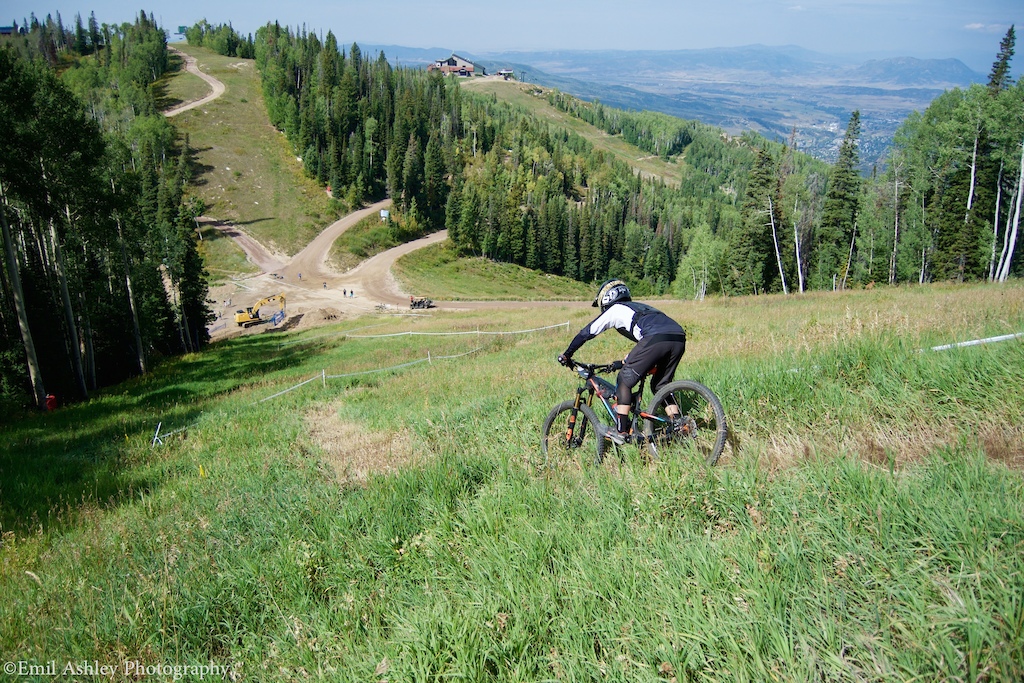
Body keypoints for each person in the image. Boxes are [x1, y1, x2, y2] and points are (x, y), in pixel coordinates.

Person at [558, 279, 686, 444]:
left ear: (607, 299)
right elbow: (646, 336)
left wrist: (567, 354)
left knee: (624, 380)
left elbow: (586, 332)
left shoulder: (616, 309)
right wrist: (628, 359)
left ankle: (621, 430)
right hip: (678, 337)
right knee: (660, 385)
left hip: (655, 338)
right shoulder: (641, 307)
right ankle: (679, 423)